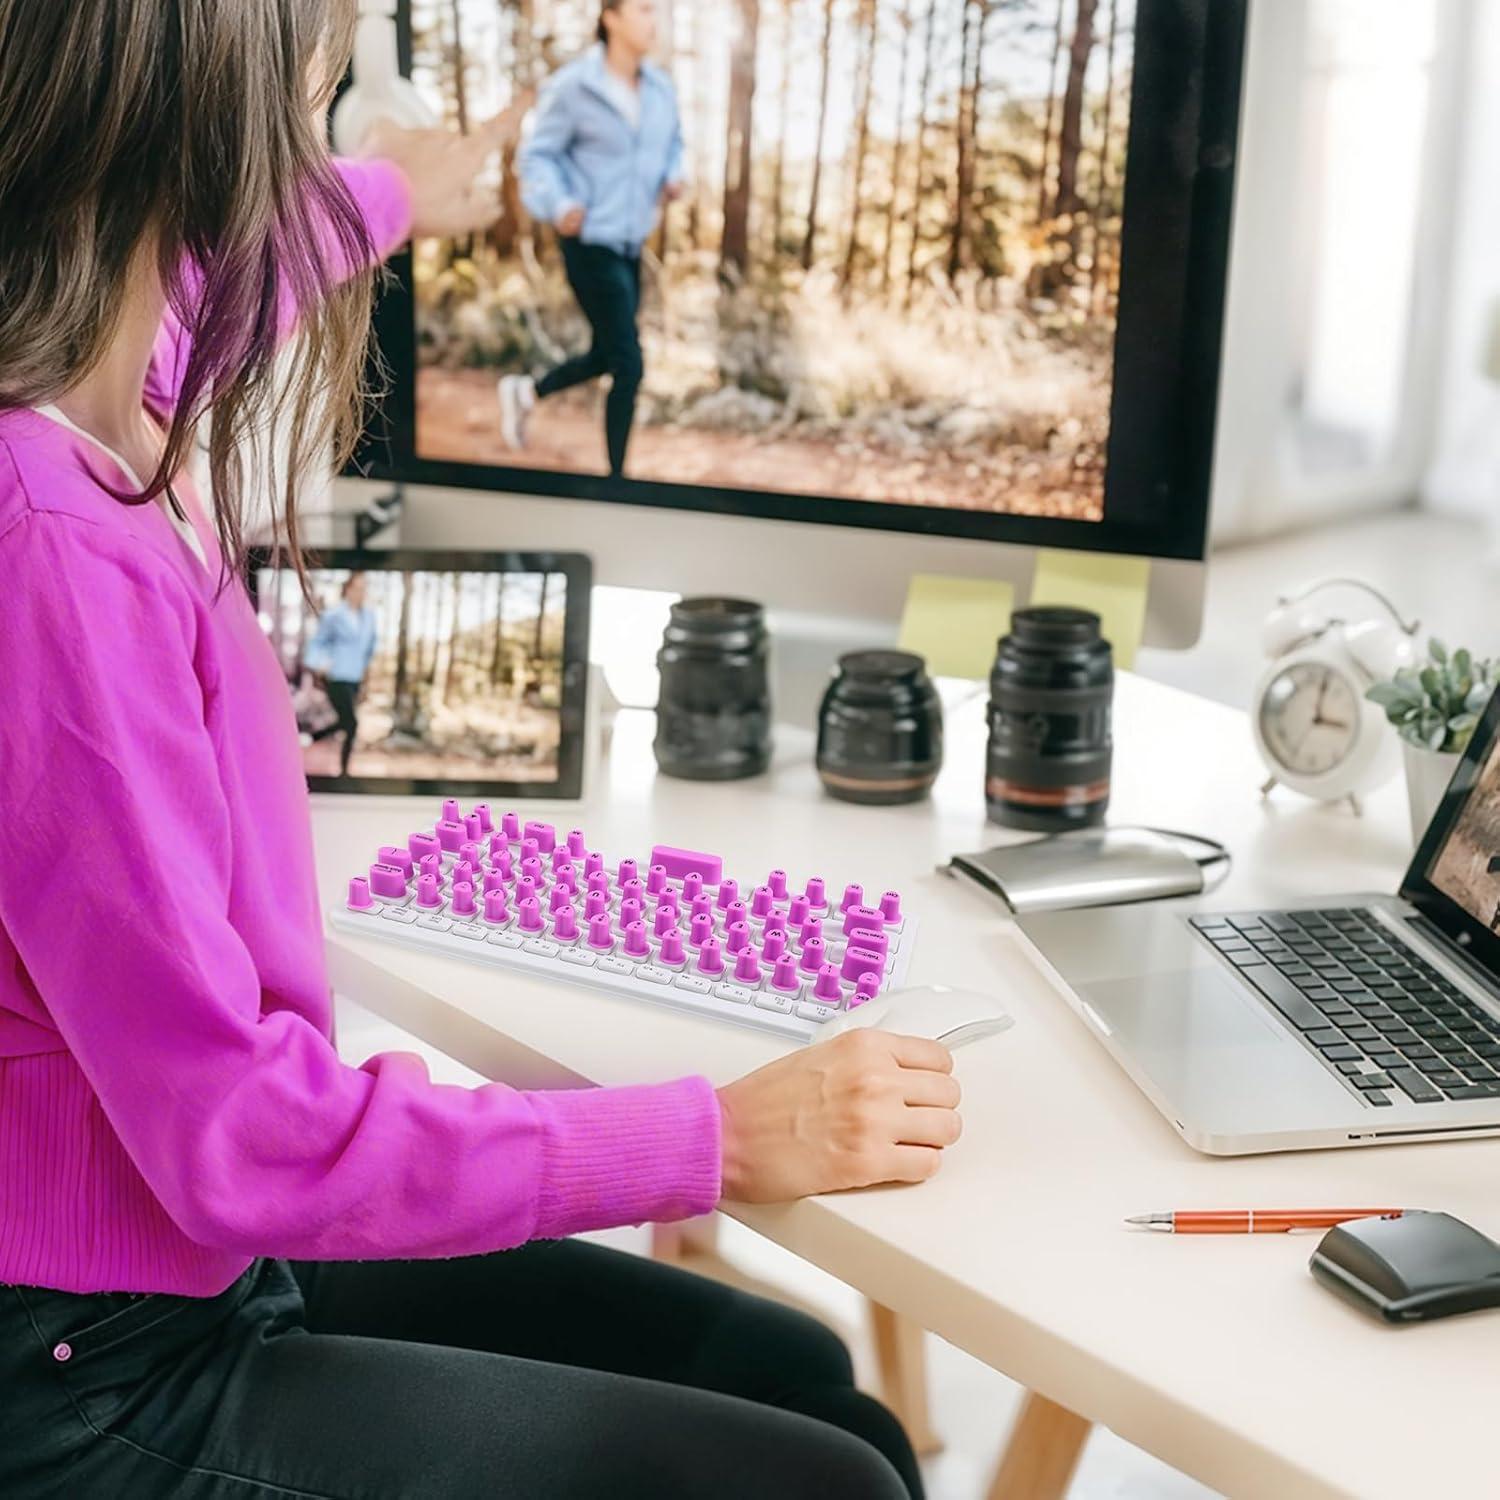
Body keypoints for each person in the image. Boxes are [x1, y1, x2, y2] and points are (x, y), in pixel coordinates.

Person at [0, 6, 961, 1497]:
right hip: (94, 1365)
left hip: (190, 1258)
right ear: (214, 104)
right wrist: (714, 1137)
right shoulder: (52, 543)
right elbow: (240, 1135)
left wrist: (394, 190)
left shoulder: (99, 373)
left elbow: (217, 288)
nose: (320, 91)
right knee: (829, 1483)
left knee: (804, 1383)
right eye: (311, 66)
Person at [501, 0, 683, 479]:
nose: (654, 20)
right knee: (628, 362)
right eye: (643, 9)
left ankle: (525, 392)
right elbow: (537, 158)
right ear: (611, 16)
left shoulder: (661, 89)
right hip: (586, 240)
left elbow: (675, 147)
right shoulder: (575, 87)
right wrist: (558, 205)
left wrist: (675, 175)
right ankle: (618, 481)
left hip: (629, 243)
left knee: (608, 352)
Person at [306, 570, 378, 776]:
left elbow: (370, 647)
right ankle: (344, 771)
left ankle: (315, 736)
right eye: (357, 587)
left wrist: (366, 672)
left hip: (355, 676)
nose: (361, 592)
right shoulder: (334, 616)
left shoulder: (369, 618)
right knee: (351, 723)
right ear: (347, 589)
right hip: (336, 675)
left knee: (346, 723)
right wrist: (318, 664)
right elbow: (318, 643)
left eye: (364, 588)